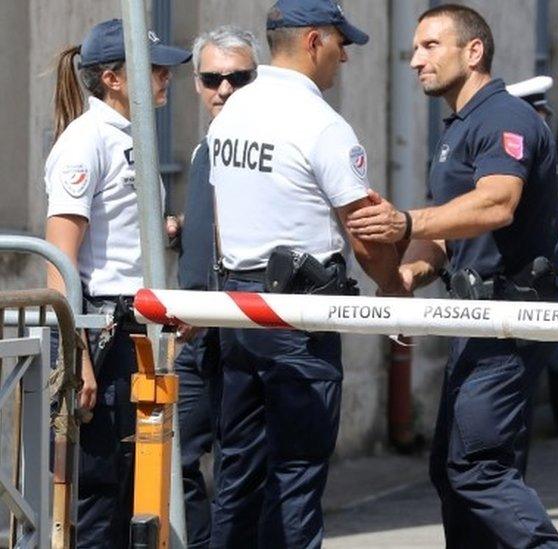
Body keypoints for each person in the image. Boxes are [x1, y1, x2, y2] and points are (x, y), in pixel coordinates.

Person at [346, 5, 558, 547]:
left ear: (473, 53)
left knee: (477, 468)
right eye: (415, 47)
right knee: (453, 471)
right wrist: (405, 278)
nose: (415, 59)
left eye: (429, 47)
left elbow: (496, 205)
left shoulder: (504, 119)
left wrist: (405, 220)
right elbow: (449, 235)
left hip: (510, 319)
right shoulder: (460, 127)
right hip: (476, 318)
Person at [205, 1, 404, 546]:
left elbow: (223, 214)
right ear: (315, 41)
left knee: (238, 472)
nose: (346, 57)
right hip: (297, 316)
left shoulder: (231, 114)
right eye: (342, 43)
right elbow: (364, 230)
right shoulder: (321, 124)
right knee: (296, 470)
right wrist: (392, 285)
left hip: (238, 309)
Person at [44, 18, 190, 548]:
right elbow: (60, 255)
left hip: (138, 326)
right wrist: (75, 351)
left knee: (136, 481)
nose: (165, 79)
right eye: (153, 70)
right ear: (112, 77)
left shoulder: (132, 139)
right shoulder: (86, 141)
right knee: (100, 486)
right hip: (101, 329)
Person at [174, 25, 259, 549]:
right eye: (211, 78)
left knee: (238, 463)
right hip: (192, 328)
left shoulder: (262, 144)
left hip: (241, 326)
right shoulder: (203, 146)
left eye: (238, 78)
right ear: (197, 84)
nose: (224, 89)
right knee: (173, 454)